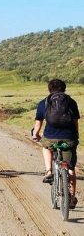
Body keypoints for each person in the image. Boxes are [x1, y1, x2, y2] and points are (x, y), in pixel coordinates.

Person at [32, 79, 80, 209]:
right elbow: (75, 123)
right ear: (64, 89)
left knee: (45, 146)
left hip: (50, 138)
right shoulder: (71, 102)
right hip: (69, 138)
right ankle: (71, 198)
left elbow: (38, 124)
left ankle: (49, 171)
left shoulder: (44, 102)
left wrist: (35, 135)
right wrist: (76, 137)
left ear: (49, 89)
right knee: (70, 169)